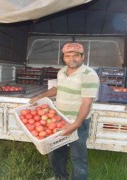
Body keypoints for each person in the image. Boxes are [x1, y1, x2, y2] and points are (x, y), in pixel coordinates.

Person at [30, 42, 100, 180]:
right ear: (63, 57)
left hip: (77, 121)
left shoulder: (88, 75)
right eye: (68, 56)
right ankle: (60, 177)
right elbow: (57, 88)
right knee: (56, 151)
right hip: (59, 118)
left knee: (77, 156)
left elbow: (87, 102)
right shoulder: (62, 71)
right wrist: (40, 96)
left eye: (76, 55)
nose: (71, 59)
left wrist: (76, 124)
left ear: (82, 57)